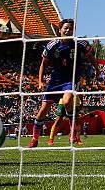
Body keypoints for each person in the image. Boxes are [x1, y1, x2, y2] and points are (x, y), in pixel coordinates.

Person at [27, 19, 98, 148]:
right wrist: (40, 81)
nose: (67, 30)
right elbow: (43, 63)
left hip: (71, 80)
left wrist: (97, 70)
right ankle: (34, 139)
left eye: (70, 29)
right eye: (65, 28)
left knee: (66, 102)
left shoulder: (79, 43)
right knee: (42, 112)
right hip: (55, 81)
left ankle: (72, 136)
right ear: (60, 30)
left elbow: (91, 58)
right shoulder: (52, 45)